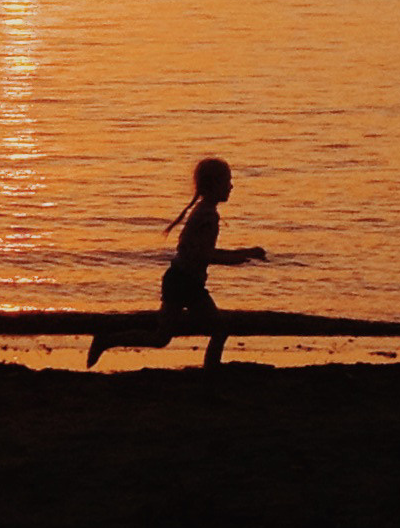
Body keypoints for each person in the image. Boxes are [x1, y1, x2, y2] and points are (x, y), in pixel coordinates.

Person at [86, 156, 268, 369]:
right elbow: (204, 255)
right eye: (227, 181)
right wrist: (240, 256)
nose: (231, 186)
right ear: (214, 185)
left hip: (178, 279)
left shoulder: (202, 211)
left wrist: (243, 254)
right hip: (187, 284)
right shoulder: (208, 216)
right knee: (219, 328)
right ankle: (212, 370)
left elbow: (198, 252)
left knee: (161, 337)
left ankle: (107, 340)